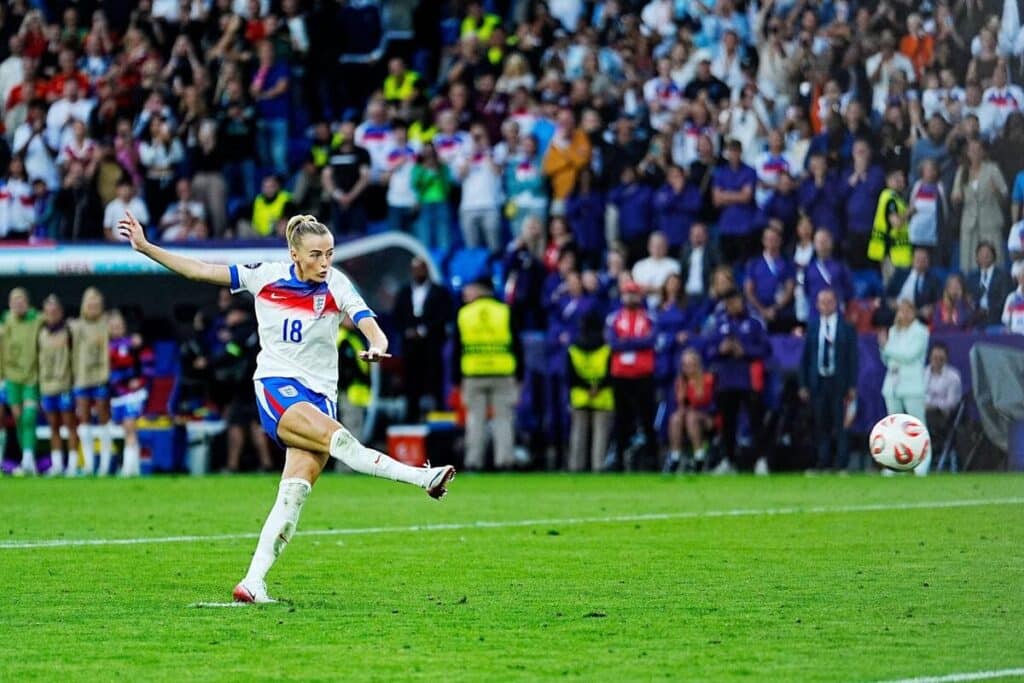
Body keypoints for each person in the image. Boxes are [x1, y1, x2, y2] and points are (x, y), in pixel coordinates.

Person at [117, 211, 456, 604]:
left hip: (320, 397)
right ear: (295, 254)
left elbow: (368, 321)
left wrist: (378, 345)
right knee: (342, 442)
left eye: (329, 253)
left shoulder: (336, 283)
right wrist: (145, 247)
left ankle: (253, 581)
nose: (325, 262)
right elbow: (198, 270)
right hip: (278, 388)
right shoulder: (266, 276)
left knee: (293, 494)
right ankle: (422, 479)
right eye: (316, 255)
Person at [451, 276, 522, 471]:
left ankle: (474, 462)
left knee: (475, 421)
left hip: (473, 374)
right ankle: (505, 461)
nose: (465, 293)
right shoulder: (505, 312)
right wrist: (520, 377)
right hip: (503, 373)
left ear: (480, 290)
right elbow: (517, 346)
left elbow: (457, 350)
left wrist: (457, 380)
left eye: (469, 289)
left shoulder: (464, 314)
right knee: (503, 420)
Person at [706, 288, 770, 475]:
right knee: (727, 423)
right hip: (726, 379)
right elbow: (708, 351)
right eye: (729, 303)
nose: (732, 306)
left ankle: (761, 460)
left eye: (735, 302)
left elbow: (766, 349)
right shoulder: (719, 322)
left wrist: (746, 351)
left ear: (742, 302)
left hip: (749, 379)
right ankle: (729, 460)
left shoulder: (755, 322)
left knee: (756, 421)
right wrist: (720, 349)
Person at [798, 289, 858, 472]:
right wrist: (803, 384)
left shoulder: (846, 328)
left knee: (840, 423)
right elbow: (806, 358)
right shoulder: (813, 327)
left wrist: (852, 385)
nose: (826, 305)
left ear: (836, 303)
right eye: (822, 302)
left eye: (829, 301)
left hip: (838, 381)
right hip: (818, 381)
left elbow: (853, 358)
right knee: (820, 423)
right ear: (816, 305)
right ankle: (822, 462)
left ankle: (842, 464)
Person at [210, 305, 274, 474]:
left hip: (244, 385)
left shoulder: (242, 332)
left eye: (230, 314)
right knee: (256, 424)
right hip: (260, 382)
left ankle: (233, 465)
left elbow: (232, 353)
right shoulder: (259, 328)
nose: (227, 319)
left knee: (237, 424)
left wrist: (210, 363)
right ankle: (266, 464)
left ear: (240, 313)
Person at [606, 280, 658, 471]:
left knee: (647, 418)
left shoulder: (649, 317)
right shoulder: (615, 318)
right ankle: (619, 459)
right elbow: (612, 343)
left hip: (643, 373)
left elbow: (651, 340)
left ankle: (652, 460)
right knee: (621, 419)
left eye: (634, 294)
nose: (630, 298)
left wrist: (626, 342)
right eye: (627, 294)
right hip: (621, 374)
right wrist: (637, 343)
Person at [392, 257, 450, 423]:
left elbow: (443, 316)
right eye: (415, 269)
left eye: (421, 269)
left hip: (431, 346)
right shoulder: (404, 293)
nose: (418, 273)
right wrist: (407, 331)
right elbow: (398, 317)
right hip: (410, 348)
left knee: (434, 382)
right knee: (411, 384)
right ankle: (411, 418)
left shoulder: (439, 292)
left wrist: (424, 330)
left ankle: (438, 418)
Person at [879, 299, 931, 475]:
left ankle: (923, 461)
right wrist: (884, 348)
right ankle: (896, 463)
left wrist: (887, 347)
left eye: (908, 311)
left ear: (914, 312)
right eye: (901, 311)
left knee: (917, 424)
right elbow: (887, 359)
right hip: (892, 383)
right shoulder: (893, 331)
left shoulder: (921, 332)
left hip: (912, 383)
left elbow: (910, 355)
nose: (903, 314)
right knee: (893, 425)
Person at [1, 288, 43, 474]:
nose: (18, 304)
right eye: (14, 300)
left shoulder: (37, 319)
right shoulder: (6, 323)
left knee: (28, 417)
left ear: (27, 302)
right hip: (12, 376)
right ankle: (26, 458)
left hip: (31, 377)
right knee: (18, 418)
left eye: (21, 300)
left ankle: (28, 458)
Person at [566, 312, 613, 472]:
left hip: (580, 395)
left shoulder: (574, 349)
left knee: (578, 434)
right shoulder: (606, 348)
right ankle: (598, 466)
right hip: (602, 395)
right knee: (600, 434)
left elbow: (570, 376)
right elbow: (611, 374)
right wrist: (596, 387)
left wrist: (586, 387)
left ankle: (575, 466)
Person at [70, 287, 111, 476]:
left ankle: (104, 464)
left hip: (102, 377)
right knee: (84, 419)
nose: (93, 306)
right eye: (90, 302)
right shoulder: (75, 326)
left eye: (96, 302)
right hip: (82, 377)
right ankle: (87, 464)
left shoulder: (106, 324)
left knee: (104, 418)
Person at [37, 294, 78, 476]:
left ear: (61, 312)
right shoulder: (40, 333)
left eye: (55, 311)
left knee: (70, 425)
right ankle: (57, 464)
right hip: (47, 386)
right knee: (53, 426)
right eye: (48, 311)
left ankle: (73, 464)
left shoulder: (69, 331)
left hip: (65, 385)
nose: (52, 314)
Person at [952, 139, 1008, 270]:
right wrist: (956, 197)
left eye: (978, 150)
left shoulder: (992, 169)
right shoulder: (962, 171)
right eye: (971, 150)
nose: (975, 153)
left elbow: (1004, 194)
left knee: (995, 259)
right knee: (968, 262)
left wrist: (996, 191)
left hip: (990, 221)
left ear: (983, 152)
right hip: (969, 224)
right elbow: (955, 195)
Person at [107, 310, 149, 477]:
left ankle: (127, 469)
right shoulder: (106, 346)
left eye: (119, 326)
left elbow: (145, 365)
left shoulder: (132, 344)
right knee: (125, 431)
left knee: (130, 429)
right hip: (116, 395)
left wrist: (139, 380)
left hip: (132, 394)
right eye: (113, 326)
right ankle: (134, 468)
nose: (117, 329)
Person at [666, 349, 715, 473]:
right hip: (685, 417)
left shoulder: (708, 379)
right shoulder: (680, 383)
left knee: (691, 417)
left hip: (706, 417)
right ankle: (675, 457)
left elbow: (711, 403)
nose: (688, 368)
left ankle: (699, 456)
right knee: (675, 418)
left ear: (698, 364)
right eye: (685, 365)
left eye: (691, 364)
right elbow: (677, 404)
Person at [744, 226, 796, 333]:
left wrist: (775, 309)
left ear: (780, 241)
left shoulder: (787, 263)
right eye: (768, 238)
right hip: (757, 313)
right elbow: (749, 290)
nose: (771, 242)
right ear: (763, 241)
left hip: (781, 313)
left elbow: (789, 290)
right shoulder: (754, 263)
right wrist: (762, 310)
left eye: (774, 239)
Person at [924, 343, 962, 464]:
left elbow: (951, 403)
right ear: (930, 357)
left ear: (946, 359)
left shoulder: (953, 377)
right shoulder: (922, 374)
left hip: (942, 417)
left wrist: (932, 404)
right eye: (935, 358)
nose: (937, 361)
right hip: (922, 412)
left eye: (941, 359)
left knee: (930, 416)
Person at [966, 241, 1014, 328]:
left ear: (994, 256)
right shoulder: (971, 277)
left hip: (996, 317)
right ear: (977, 257)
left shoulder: (1003, 276)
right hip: (975, 318)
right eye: (981, 253)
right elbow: (968, 298)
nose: (985, 256)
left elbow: (1005, 299)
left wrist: (989, 310)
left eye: (987, 253)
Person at [679, 222, 720, 301]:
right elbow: (681, 272)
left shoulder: (713, 251)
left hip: (706, 294)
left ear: (706, 235)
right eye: (694, 234)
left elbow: (720, 269)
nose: (697, 237)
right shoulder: (685, 251)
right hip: (687, 294)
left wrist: (715, 286)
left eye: (700, 234)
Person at [1002, 267, 1024, 334]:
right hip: (1015, 334)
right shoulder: (1012, 297)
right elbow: (1005, 318)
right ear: (1018, 279)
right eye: (1023, 277)